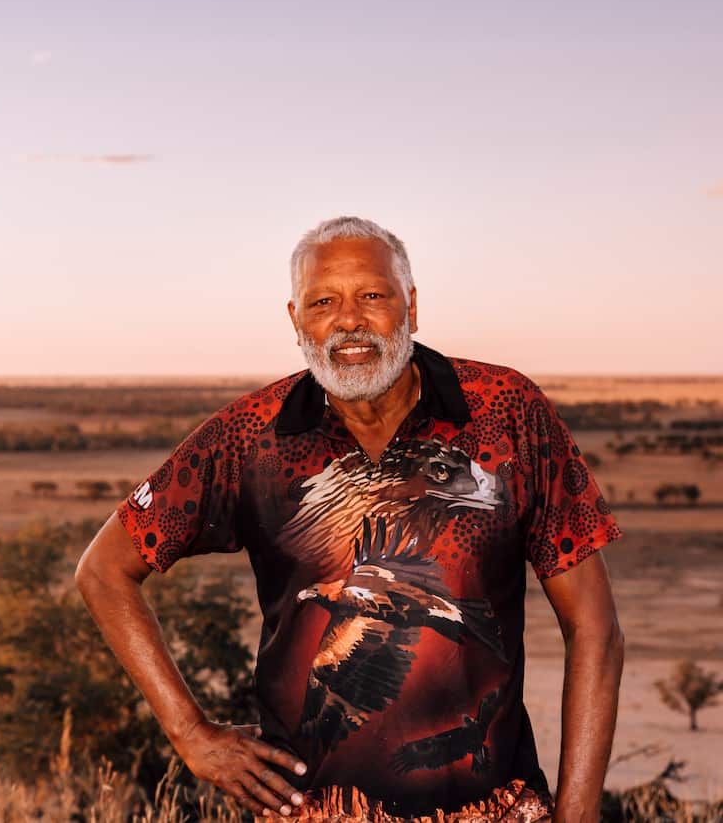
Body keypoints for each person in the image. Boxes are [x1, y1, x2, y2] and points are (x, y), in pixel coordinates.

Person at [75, 216, 624, 823]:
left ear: (411, 305)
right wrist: (190, 734)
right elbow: (104, 570)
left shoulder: (507, 411)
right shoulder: (249, 436)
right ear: (296, 320)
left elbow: (595, 628)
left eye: (372, 296)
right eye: (323, 302)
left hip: (494, 809)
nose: (349, 321)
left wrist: (577, 816)